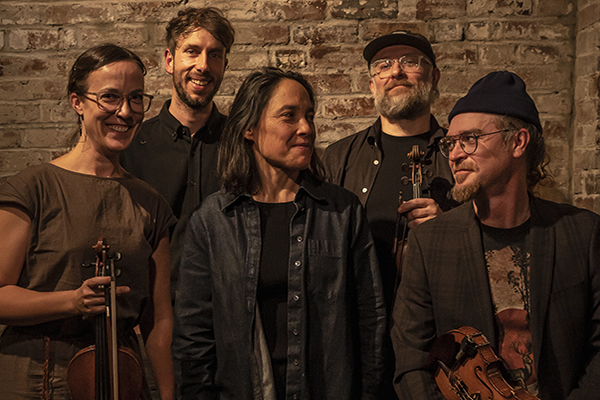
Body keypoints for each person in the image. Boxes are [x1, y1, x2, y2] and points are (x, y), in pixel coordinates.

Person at [172, 67, 386, 400]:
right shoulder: (214, 220)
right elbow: (193, 337)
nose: (306, 128)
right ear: (249, 128)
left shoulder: (342, 211)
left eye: (309, 116)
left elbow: (371, 321)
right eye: (289, 116)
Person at [392, 71, 600, 399]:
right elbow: (412, 360)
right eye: (451, 143)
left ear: (518, 142)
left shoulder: (583, 233)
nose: (455, 155)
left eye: (470, 139)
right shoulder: (428, 242)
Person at [0, 44, 176, 400]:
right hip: (33, 377)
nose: (125, 112)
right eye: (110, 97)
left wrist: (168, 394)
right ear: (77, 102)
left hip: (120, 376)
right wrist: (71, 301)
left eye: (136, 98)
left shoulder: (150, 202)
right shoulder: (33, 187)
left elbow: (158, 321)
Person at [321, 30, 456, 398]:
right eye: (383, 65)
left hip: (437, 342)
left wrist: (449, 225)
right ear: (371, 84)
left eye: (410, 62)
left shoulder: (459, 154)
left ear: (434, 77)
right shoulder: (338, 158)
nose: (396, 71)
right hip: (356, 338)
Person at [120, 7, 235, 297]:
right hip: (152, 310)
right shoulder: (131, 145)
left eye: (215, 55)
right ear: (170, 60)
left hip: (228, 309)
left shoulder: (243, 144)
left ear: (224, 65)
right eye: (192, 52)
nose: (203, 66)